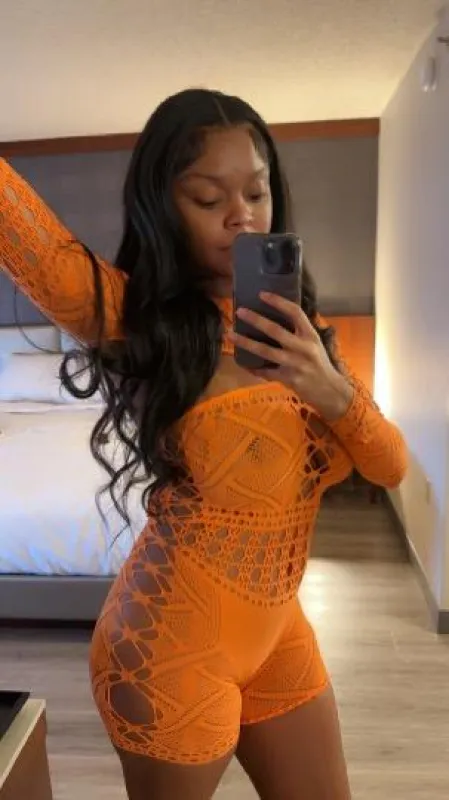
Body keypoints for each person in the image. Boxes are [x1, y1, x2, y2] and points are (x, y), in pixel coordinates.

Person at [0, 87, 407, 800]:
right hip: (168, 648)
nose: (241, 215)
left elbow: (390, 465)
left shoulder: (300, 331)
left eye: (256, 191)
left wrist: (328, 385)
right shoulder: (135, 316)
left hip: (279, 630)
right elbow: (31, 243)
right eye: (208, 197)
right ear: (164, 207)